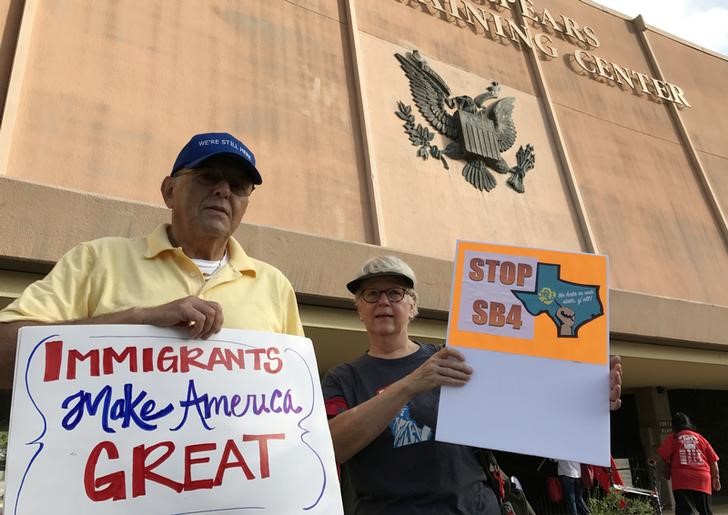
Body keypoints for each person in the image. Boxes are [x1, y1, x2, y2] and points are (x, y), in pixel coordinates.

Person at [322, 255, 623, 514]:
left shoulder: (452, 357)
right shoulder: (343, 378)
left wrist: (590, 396)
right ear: (358, 309)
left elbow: (521, 408)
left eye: (395, 293)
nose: (383, 301)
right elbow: (331, 446)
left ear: (413, 306)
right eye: (371, 294)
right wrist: (411, 384)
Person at [0, 132, 303, 387]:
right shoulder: (96, 260)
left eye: (238, 186)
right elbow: (5, 352)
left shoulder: (274, 286)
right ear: (170, 191)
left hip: (235, 459)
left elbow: (296, 393)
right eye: (208, 177)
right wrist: (137, 321)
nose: (223, 190)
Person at [658, 412, 720, 515]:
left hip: (682, 480)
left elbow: (661, 456)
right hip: (702, 478)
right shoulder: (700, 438)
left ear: (674, 425)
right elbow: (713, 460)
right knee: (705, 511)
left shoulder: (673, 438)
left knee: (685, 511)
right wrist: (716, 478)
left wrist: (651, 460)